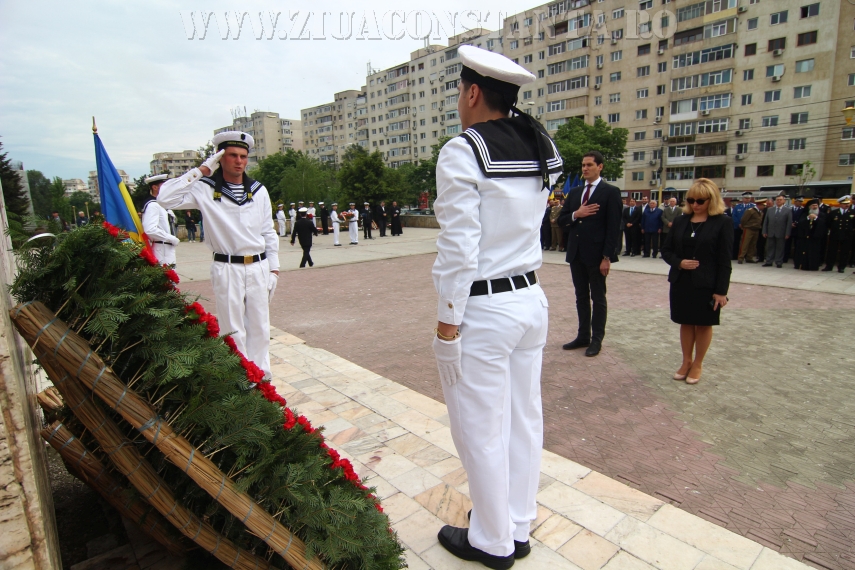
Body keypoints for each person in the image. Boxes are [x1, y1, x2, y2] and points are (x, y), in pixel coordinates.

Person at [432, 44, 562, 569]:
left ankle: (491, 540)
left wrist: (446, 320)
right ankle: (517, 525)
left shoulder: (463, 150)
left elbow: (459, 247)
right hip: (531, 297)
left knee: (480, 427)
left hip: (484, 309)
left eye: (460, 94)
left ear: (473, 92)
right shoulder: (537, 143)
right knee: (523, 420)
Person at [158, 131, 280, 377]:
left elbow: (269, 232)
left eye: (243, 156)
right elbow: (164, 198)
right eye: (232, 155)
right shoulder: (204, 188)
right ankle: (240, 377)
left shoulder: (258, 190)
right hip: (227, 267)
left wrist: (274, 268)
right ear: (220, 158)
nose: (239, 161)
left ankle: (262, 379)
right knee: (233, 328)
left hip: (258, 266)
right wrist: (201, 170)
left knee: (259, 327)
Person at [660, 179, 732, 385]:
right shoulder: (682, 221)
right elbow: (666, 250)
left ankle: (698, 363)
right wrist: (679, 262)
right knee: (686, 321)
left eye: (700, 200)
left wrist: (721, 291)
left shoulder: (722, 222)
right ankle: (686, 361)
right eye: (691, 200)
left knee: (703, 324)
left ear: (712, 200)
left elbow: (725, 260)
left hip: (707, 283)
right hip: (681, 281)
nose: (695, 204)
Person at [557, 150, 622, 357]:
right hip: (576, 253)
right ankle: (583, 335)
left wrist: (607, 257)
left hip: (597, 255)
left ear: (600, 167)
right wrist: (577, 214)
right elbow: (562, 220)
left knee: (598, 298)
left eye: (589, 165)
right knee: (581, 297)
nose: (585, 168)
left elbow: (614, 228)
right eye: (583, 165)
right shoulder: (575, 193)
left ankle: (596, 339)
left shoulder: (610, 192)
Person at [141, 174, 179, 265]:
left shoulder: (163, 204)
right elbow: (150, 229)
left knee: (171, 277)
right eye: (164, 185)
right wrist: (171, 238)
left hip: (167, 247)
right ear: (154, 187)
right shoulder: (153, 205)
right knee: (166, 277)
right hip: (161, 247)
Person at [823, 196, 854, 273]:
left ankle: (842, 267)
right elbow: (828, 223)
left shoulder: (853, 212)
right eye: (844, 204)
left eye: (847, 203)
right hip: (835, 234)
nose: (846, 205)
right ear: (840, 204)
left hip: (847, 235)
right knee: (832, 251)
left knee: (845, 252)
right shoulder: (834, 213)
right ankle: (829, 266)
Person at [795, 199, 827, 271]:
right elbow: (800, 223)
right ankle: (802, 265)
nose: (814, 207)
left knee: (814, 253)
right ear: (809, 207)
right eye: (813, 205)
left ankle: (813, 266)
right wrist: (808, 218)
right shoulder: (805, 214)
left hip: (816, 238)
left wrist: (816, 218)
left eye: (816, 205)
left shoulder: (821, 214)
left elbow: (824, 224)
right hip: (805, 238)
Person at [761, 195, 792, 268]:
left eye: (780, 200)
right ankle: (769, 261)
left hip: (781, 232)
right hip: (770, 232)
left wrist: (787, 233)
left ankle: (779, 262)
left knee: (780, 248)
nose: (779, 201)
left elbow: (789, 223)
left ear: (784, 201)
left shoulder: (788, 210)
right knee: (769, 247)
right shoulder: (770, 210)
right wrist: (764, 231)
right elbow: (766, 221)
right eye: (777, 200)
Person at [730, 192, 753, 260]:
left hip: (748, 227)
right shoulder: (737, 206)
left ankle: (746, 256)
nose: (747, 200)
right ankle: (735, 255)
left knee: (747, 242)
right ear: (743, 199)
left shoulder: (753, 206)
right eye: (746, 198)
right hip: (737, 227)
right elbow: (734, 216)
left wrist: (746, 225)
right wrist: (739, 224)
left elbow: (754, 217)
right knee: (736, 241)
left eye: (748, 198)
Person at [784, 196, 804, 264]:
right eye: (799, 201)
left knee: (797, 245)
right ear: (795, 202)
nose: (800, 203)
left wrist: (796, 224)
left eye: (801, 202)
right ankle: (785, 258)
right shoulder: (789, 209)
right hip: (789, 229)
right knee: (787, 245)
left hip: (797, 229)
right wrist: (790, 224)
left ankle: (796, 259)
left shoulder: (802, 210)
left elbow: (802, 219)